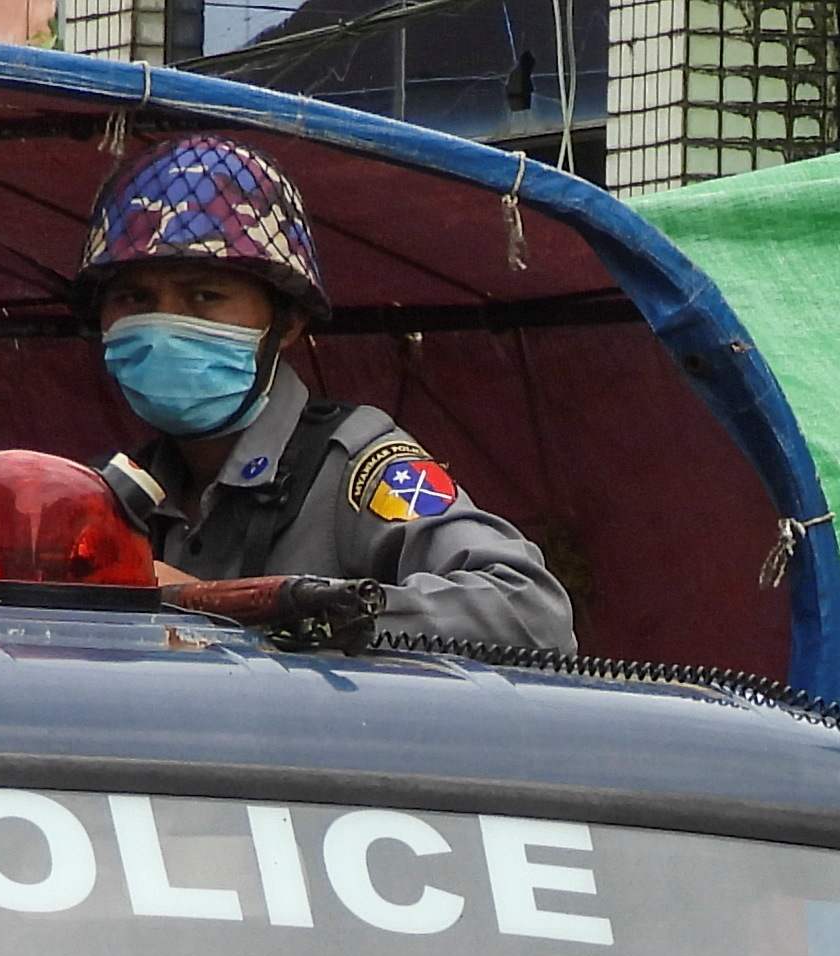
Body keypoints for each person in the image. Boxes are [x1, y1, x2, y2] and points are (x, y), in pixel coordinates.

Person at [77, 132, 576, 656]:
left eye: (205, 296)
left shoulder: (354, 467)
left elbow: (531, 611)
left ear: (286, 322)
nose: (165, 325)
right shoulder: (109, 498)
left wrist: (289, 610)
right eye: (135, 298)